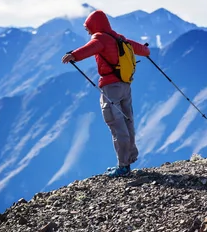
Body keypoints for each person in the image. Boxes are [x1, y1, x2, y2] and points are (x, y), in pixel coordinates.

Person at [61, 9, 150, 177]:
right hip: (126, 85)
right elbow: (143, 50)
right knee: (127, 121)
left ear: (95, 25)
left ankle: (123, 166)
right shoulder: (120, 38)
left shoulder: (100, 38)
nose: (87, 30)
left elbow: (89, 48)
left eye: (88, 27)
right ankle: (129, 160)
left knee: (116, 124)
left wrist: (73, 55)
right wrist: (145, 50)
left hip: (111, 88)